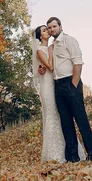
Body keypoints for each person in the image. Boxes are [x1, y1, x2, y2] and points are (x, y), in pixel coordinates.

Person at [46, 16, 92, 162]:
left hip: (71, 83)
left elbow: (78, 63)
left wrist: (74, 85)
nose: (52, 29)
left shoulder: (69, 41)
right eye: (49, 27)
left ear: (60, 27)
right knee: (66, 123)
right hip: (58, 86)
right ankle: (72, 158)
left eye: (54, 26)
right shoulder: (52, 46)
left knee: (81, 120)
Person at [32, 25, 85, 163]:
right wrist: (45, 64)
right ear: (39, 36)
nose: (47, 31)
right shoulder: (40, 50)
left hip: (56, 84)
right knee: (52, 115)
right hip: (47, 87)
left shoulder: (52, 47)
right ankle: (53, 153)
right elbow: (50, 66)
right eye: (44, 30)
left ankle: (69, 151)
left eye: (47, 29)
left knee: (62, 117)